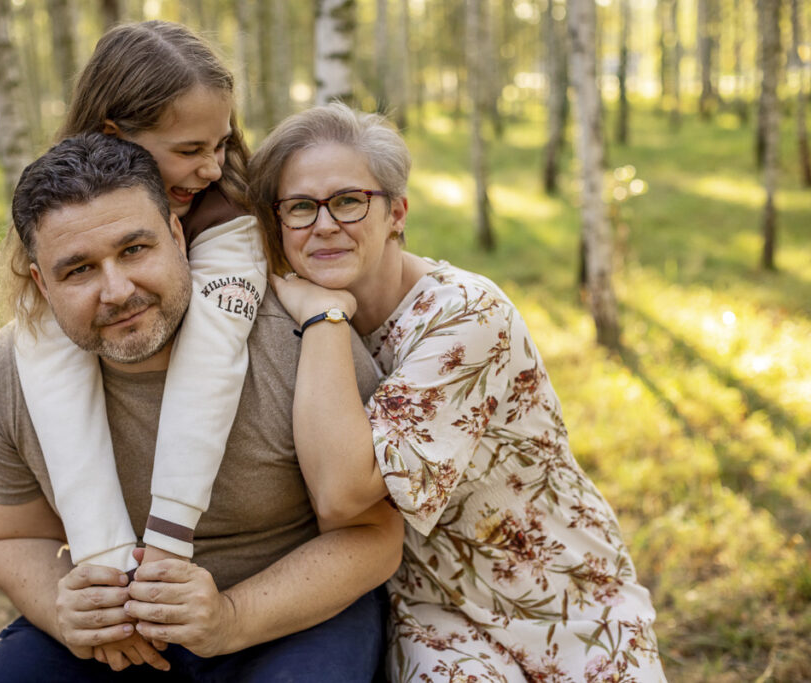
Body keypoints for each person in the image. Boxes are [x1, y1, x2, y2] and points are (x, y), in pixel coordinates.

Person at [249, 103, 667, 682]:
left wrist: (321, 316)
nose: (323, 225)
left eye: (348, 201)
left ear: (396, 212)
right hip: (433, 610)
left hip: (564, 597)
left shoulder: (465, 315)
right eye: (299, 207)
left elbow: (342, 494)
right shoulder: (281, 329)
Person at [0, 132, 403, 681]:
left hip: (289, 616)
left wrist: (230, 618)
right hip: (118, 634)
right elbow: (14, 535)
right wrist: (62, 609)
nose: (117, 290)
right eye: (79, 270)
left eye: (134, 250)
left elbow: (375, 536)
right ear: (40, 283)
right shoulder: (8, 372)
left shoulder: (296, 344)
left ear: (177, 234)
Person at [0, 20, 265, 614]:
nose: (213, 167)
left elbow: (211, 358)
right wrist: (106, 569)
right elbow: (54, 380)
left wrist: (167, 539)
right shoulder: (63, 211)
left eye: (220, 143)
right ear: (116, 136)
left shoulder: (225, 212)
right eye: (190, 150)